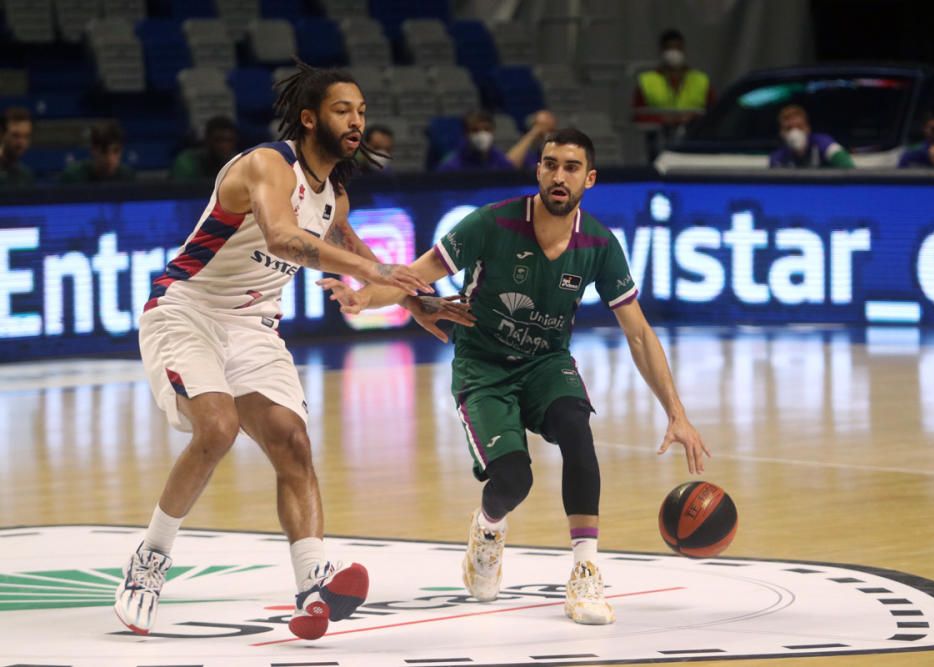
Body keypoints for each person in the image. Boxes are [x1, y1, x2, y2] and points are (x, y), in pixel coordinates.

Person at [112, 60, 467, 641]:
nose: (356, 121)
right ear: (309, 119)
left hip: (254, 323)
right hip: (188, 308)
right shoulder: (266, 165)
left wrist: (416, 302)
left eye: (361, 111)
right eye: (342, 110)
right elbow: (282, 237)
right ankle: (149, 562)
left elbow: (357, 256)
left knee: (292, 441)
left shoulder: (336, 198)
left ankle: (312, 584)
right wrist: (376, 267)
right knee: (218, 428)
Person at [323, 128, 709, 625]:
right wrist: (363, 299)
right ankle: (487, 528)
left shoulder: (598, 244)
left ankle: (586, 571)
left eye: (571, 167)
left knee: (577, 431)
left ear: (589, 178)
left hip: (547, 363)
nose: (558, 175)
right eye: (550, 164)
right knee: (513, 480)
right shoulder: (492, 223)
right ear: (538, 171)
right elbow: (414, 277)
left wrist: (676, 413)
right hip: (482, 367)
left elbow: (638, 334)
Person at [633, 28, 716, 157]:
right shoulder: (647, 80)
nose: (674, 53)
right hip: (658, 144)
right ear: (662, 51)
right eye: (669, 48)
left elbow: (714, 113)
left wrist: (692, 118)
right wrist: (662, 119)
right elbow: (638, 115)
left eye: (677, 48)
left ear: (683, 50)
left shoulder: (700, 80)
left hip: (694, 142)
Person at [769, 105, 854, 169]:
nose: (794, 132)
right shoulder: (777, 158)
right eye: (788, 128)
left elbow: (847, 166)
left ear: (807, 128)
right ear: (781, 133)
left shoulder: (823, 143)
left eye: (799, 127)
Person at [436, 110, 514, 172]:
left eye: (487, 129)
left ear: (493, 131)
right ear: (466, 133)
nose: (482, 134)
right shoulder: (451, 166)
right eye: (475, 130)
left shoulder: (500, 160)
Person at [60, 120, 136, 183]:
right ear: (93, 150)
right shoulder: (72, 177)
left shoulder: (127, 176)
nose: (110, 158)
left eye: (116, 151)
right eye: (104, 151)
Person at [170, 116, 240, 182]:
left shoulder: (239, 163)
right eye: (218, 140)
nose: (224, 145)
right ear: (207, 140)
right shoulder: (187, 162)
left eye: (229, 140)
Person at [0, 106, 35, 186]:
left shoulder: (26, 175)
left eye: (26, 136)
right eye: (15, 136)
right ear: (2, 134)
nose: (21, 142)